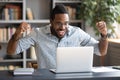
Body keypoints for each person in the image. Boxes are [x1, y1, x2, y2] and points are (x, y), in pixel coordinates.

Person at [7, 4, 108, 69]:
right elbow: (11, 51)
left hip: (72, 77)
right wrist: (17, 34)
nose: (63, 27)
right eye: (59, 23)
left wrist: (104, 35)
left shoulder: (77, 33)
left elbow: (101, 51)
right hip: (46, 77)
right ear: (51, 21)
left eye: (66, 23)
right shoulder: (38, 33)